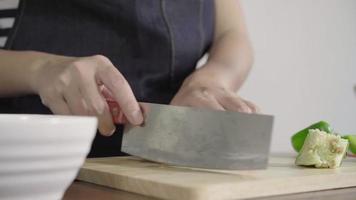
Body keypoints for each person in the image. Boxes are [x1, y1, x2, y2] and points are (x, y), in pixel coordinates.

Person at [0, 0, 259, 157]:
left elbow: (232, 33)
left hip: (164, 169)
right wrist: (40, 69)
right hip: (29, 166)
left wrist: (212, 80)